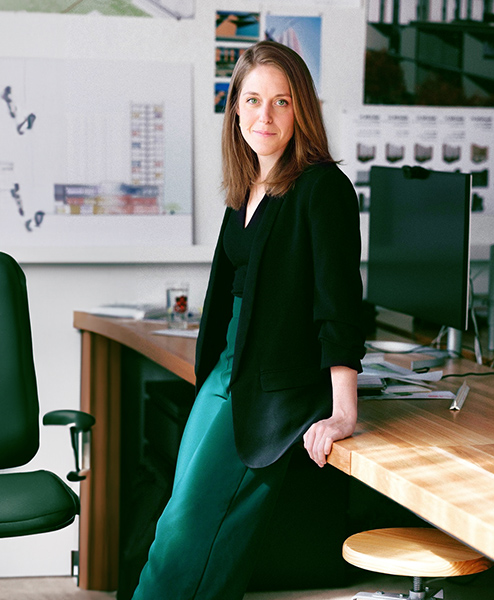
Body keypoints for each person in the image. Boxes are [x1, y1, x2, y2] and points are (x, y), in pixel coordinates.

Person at [132, 40, 365, 600]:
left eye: (282, 102)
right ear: (235, 107)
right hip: (224, 376)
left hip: (272, 385)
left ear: (301, 110)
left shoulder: (322, 187)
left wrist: (342, 412)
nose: (266, 115)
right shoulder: (246, 189)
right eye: (254, 100)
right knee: (188, 529)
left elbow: (339, 305)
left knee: (187, 536)